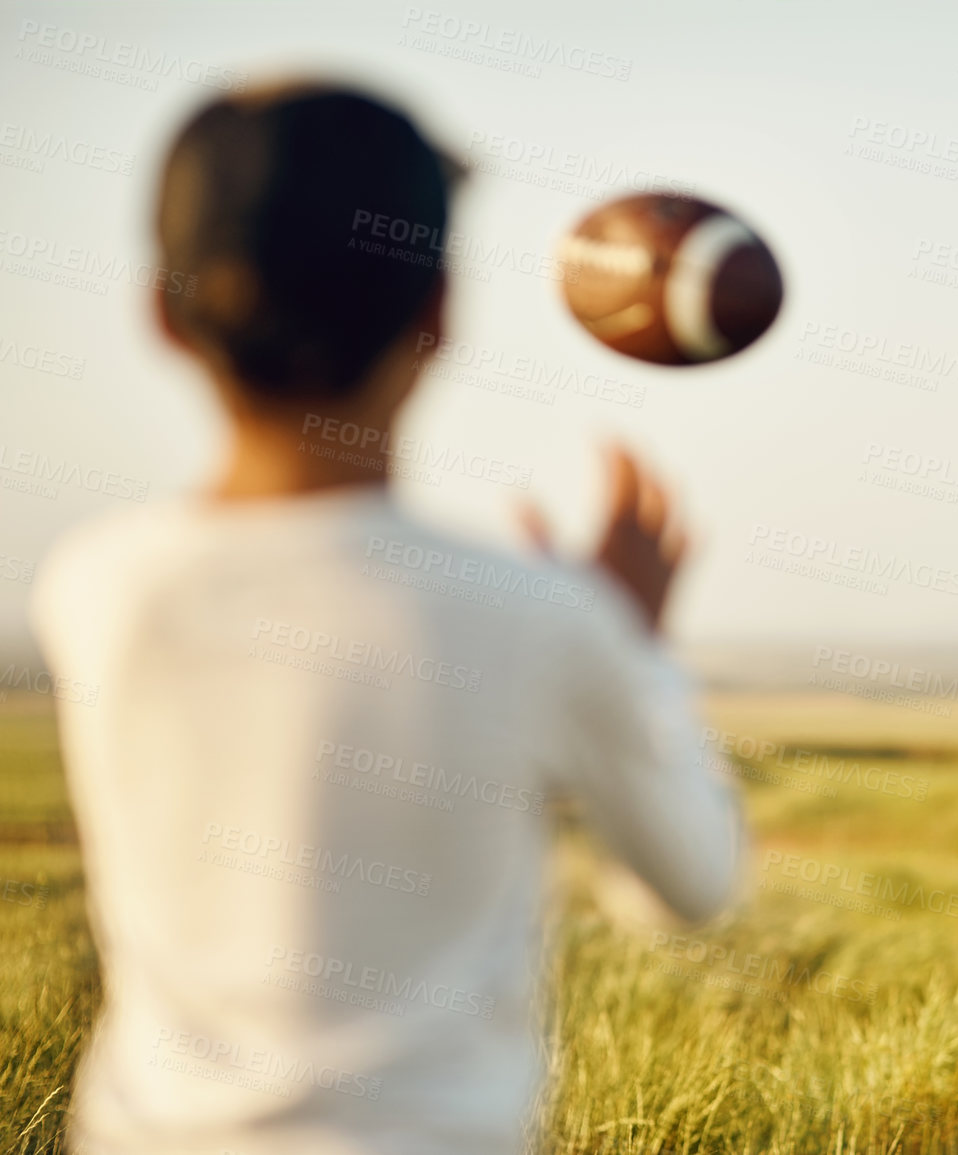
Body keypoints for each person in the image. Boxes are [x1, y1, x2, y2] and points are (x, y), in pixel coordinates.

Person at [28, 82, 744, 1154]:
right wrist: (634, 654)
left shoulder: (95, 586)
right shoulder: (541, 620)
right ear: (440, 316)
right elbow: (690, 883)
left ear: (161, 315)